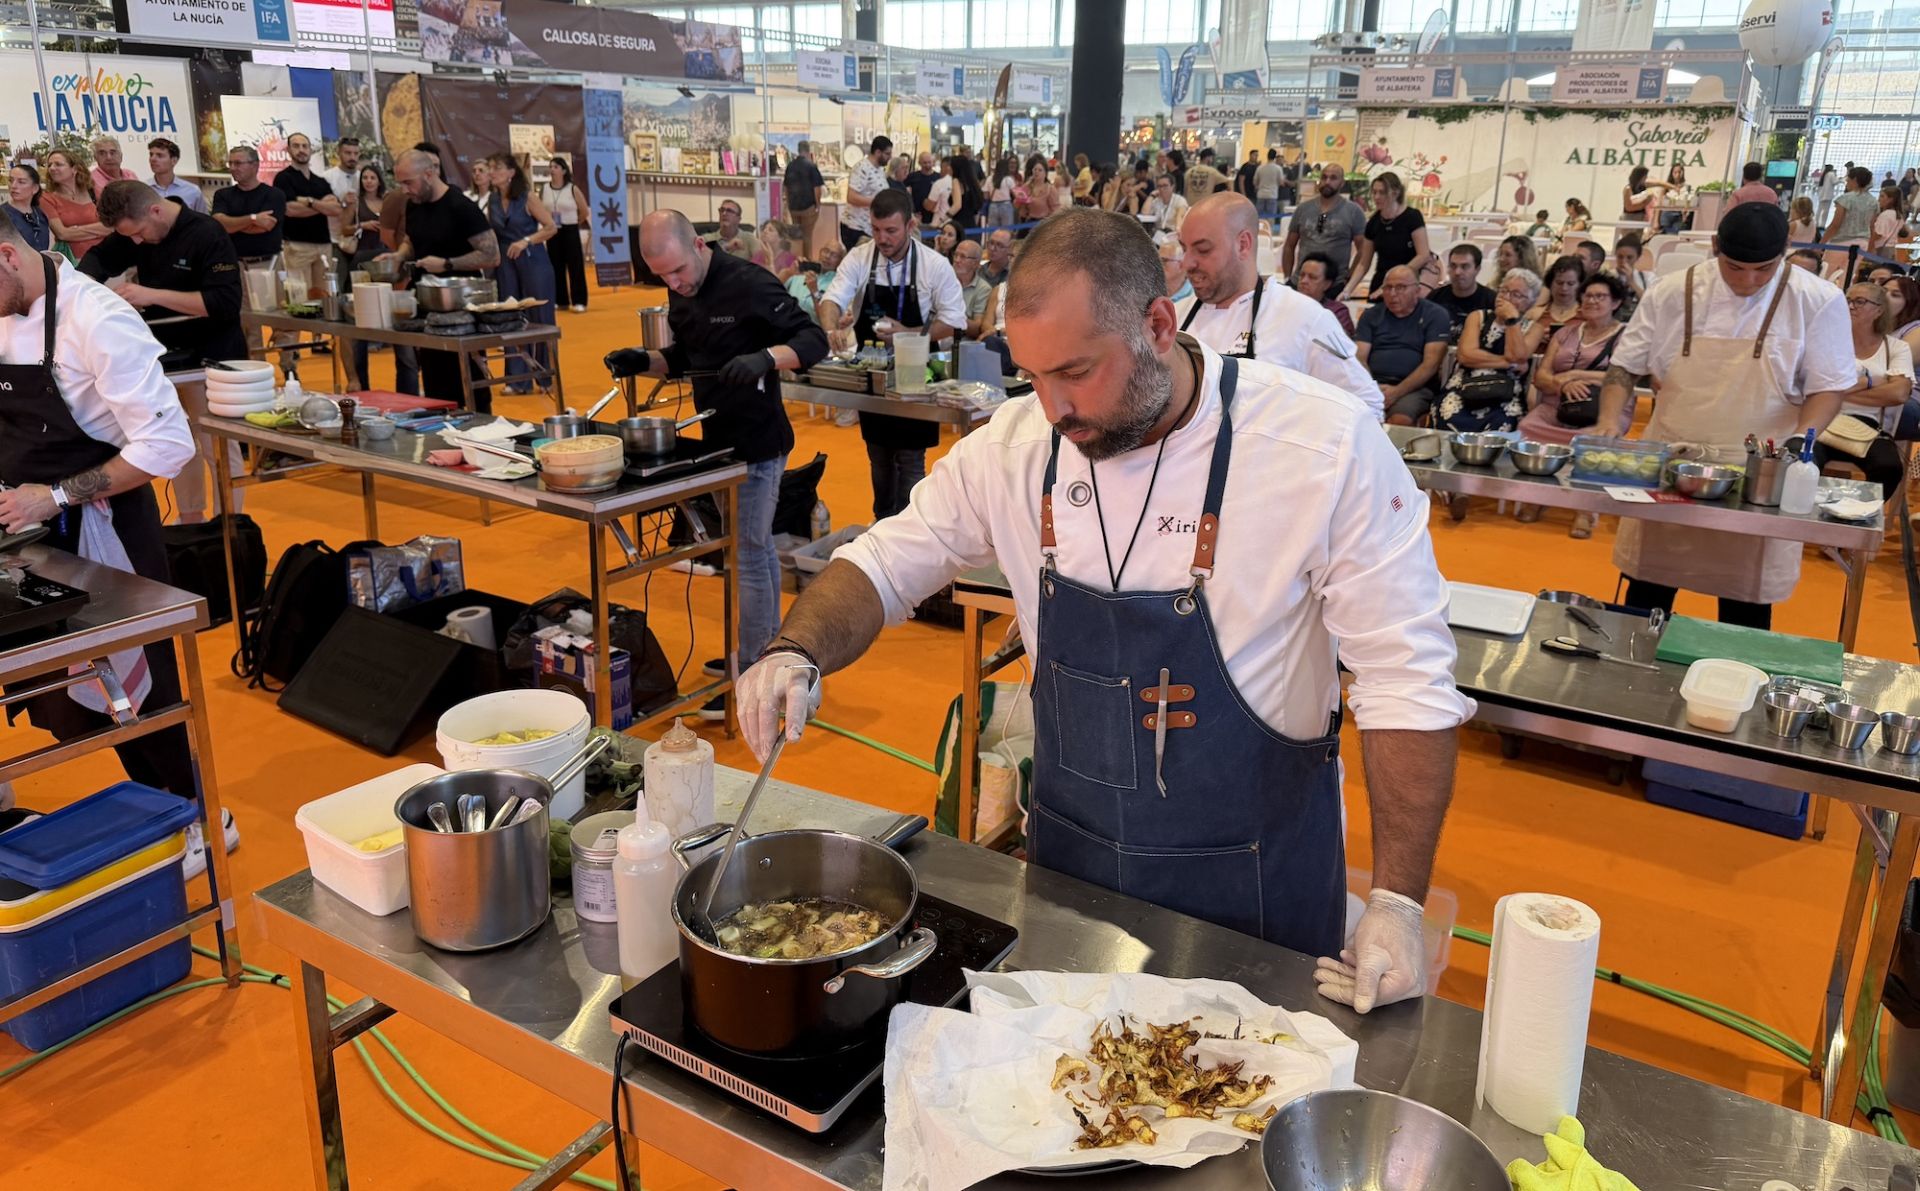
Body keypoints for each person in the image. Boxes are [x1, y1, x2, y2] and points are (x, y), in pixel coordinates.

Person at [734, 207, 1472, 1012]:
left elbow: (1407, 680)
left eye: (1077, 372)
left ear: (1159, 324)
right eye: (1033, 375)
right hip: (1072, 890)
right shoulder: (1017, 447)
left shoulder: (1320, 449)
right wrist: (794, 649)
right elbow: (884, 560)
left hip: (1259, 901)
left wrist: (1398, 902)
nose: (1052, 407)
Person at [0, 211, 235, 875]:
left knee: (145, 686)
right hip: (28, 525)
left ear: (8, 256)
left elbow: (168, 443)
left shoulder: (96, 319)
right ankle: (148, 804)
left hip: (103, 526)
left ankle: (200, 813)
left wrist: (56, 495)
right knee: (68, 691)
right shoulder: (6, 308)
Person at [602, 209, 829, 715]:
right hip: (717, 443)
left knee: (747, 555)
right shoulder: (681, 289)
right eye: (663, 277)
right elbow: (687, 356)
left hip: (759, 440)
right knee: (754, 551)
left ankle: (752, 673)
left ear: (699, 247)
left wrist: (766, 358)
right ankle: (766, 652)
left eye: (679, 270)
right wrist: (647, 360)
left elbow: (814, 340)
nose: (675, 284)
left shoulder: (748, 283)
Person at [1596, 202, 1855, 630]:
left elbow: (1828, 387)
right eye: (1735, 268)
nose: (1748, 281)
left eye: (1764, 269)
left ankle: (1737, 686)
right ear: (1715, 246)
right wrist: (1609, 420)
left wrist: (1798, 442)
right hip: (1671, 462)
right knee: (1645, 594)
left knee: (1745, 605)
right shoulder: (1672, 291)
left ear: (1786, 250)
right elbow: (1624, 368)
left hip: (1758, 471)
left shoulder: (1817, 299)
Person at [86, 180, 247, 525]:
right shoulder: (137, 230)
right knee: (177, 438)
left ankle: (231, 524)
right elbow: (100, 258)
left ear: (155, 210)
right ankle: (190, 520)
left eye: (140, 233)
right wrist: (77, 288)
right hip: (166, 356)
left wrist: (151, 295)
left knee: (218, 443)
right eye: (131, 237)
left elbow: (224, 303)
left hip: (213, 355)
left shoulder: (207, 233)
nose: (138, 242)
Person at [817, 188, 968, 519]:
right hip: (874, 372)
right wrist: (830, 330)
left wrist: (909, 334)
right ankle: (883, 522)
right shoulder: (860, 258)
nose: (882, 239)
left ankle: (913, 527)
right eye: (875, 229)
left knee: (911, 459)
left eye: (891, 231)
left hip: (918, 374)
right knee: (879, 456)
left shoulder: (934, 266)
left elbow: (955, 322)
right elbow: (832, 300)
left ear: (911, 225)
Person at [1175, 193, 1383, 418]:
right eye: (1184, 249)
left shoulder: (1304, 318)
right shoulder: (1175, 315)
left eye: (1203, 250)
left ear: (1243, 245)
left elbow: (1367, 405)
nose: (1187, 263)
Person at [377, 150, 499, 410]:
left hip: (462, 309)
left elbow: (491, 255)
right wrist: (398, 255)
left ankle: (480, 434)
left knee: (468, 382)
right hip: (428, 306)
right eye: (400, 183)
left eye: (408, 182)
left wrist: (447, 264)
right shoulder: (414, 204)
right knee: (435, 381)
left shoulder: (461, 207)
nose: (405, 189)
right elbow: (412, 238)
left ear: (429, 174)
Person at [1518, 272, 1629, 538]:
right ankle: (1538, 496)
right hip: (1558, 403)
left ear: (1615, 303)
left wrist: (1576, 375)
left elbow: (1625, 376)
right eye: (1588, 295)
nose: (1592, 301)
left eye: (1600, 296)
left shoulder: (1625, 336)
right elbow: (1541, 375)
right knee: (1527, 426)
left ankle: (1584, 509)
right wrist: (1562, 384)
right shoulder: (1566, 333)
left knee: (1594, 439)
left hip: (1604, 408)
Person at [1809, 283, 1913, 500]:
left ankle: (1859, 515)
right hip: (1822, 418)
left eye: (1860, 301)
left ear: (1879, 310)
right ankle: (1808, 517)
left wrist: (1840, 389)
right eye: (1848, 300)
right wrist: (1874, 381)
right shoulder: (1828, 339)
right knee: (1802, 459)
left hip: (1867, 426)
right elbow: (1810, 383)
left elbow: (1899, 394)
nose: (1850, 306)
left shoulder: (1895, 347)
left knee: (1889, 467)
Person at [1435, 266, 1550, 441]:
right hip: (1465, 385)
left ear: (1531, 302)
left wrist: (1512, 320)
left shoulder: (1535, 328)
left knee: (1504, 421)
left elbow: (1517, 355)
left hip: (1506, 392)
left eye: (1517, 295)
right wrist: (1508, 363)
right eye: (1504, 291)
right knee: (1449, 413)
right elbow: (1466, 356)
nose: (1507, 298)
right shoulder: (1478, 317)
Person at [485, 154, 558, 392]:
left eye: (497, 167)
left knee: (540, 318)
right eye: (490, 168)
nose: (492, 172)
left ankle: (545, 377)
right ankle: (517, 380)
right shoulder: (493, 200)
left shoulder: (528, 197)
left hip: (532, 259)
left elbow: (550, 227)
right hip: (506, 261)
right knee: (510, 317)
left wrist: (526, 241)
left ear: (511, 173)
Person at [1355, 266, 1451, 425]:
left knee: (1399, 420)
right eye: (1388, 288)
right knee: (1352, 416)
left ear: (1417, 290)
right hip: (1372, 384)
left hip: (1414, 388)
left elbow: (1430, 365)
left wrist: (1395, 393)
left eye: (1400, 288)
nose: (1392, 294)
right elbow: (1360, 358)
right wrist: (1372, 388)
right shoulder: (1371, 315)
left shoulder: (1435, 315)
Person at [272, 132, 340, 305]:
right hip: (297, 245)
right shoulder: (283, 178)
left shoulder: (320, 181)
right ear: (288, 150)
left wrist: (308, 201)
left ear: (310, 150)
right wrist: (321, 206)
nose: (301, 150)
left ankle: (320, 334)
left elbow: (335, 209)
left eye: (305, 146)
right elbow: (290, 210)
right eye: (296, 146)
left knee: (325, 297)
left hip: (324, 245)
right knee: (299, 297)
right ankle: (292, 333)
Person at [337, 165, 390, 388]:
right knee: (355, 312)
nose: (369, 181)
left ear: (379, 180)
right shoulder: (355, 202)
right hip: (361, 258)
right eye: (365, 178)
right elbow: (344, 228)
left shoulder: (388, 201)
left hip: (385, 257)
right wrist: (363, 224)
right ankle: (357, 379)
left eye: (372, 177)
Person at [1345, 172, 1433, 300]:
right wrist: (1347, 290)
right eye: (1374, 192)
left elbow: (1423, 255)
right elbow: (1364, 264)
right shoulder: (1373, 222)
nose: (1377, 197)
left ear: (1395, 193)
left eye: (1382, 193)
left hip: (1406, 283)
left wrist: (1397, 277)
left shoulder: (1412, 217)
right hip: (1381, 280)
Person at [1283, 163, 1365, 290]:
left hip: (1334, 285)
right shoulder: (1303, 209)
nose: (1327, 182)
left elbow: (1363, 249)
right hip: (1301, 282)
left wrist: (1349, 277)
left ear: (1342, 183)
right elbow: (1289, 245)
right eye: (1324, 177)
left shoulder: (1353, 211)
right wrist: (1287, 277)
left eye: (1333, 178)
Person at [211, 145, 285, 270]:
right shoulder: (222, 194)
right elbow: (219, 225)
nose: (233, 168)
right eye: (231, 163)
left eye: (238, 163)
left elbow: (265, 225)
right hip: (232, 265)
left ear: (255, 165)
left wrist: (232, 225)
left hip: (267, 264)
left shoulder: (274, 194)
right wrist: (253, 218)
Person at [541, 158, 590, 312]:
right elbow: (542, 209)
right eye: (550, 167)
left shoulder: (572, 188)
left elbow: (584, 211)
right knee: (555, 265)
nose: (552, 169)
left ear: (563, 170)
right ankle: (560, 300)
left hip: (570, 229)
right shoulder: (545, 189)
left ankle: (579, 300)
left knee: (575, 266)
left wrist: (575, 221)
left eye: (555, 166)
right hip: (553, 230)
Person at [41, 150, 106, 264]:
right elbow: (62, 234)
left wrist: (76, 230)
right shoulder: (47, 198)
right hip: (73, 261)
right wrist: (99, 229)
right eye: (49, 165)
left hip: (105, 256)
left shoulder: (94, 191)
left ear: (74, 169)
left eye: (58, 164)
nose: (52, 168)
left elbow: (111, 227)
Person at [1427, 243, 1495, 342]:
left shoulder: (1491, 301)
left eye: (1465, 267)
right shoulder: (1435, 297)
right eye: (1453, 266)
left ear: (1477, 269)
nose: (1457, 272)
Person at [840, 135, 892, 250]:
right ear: (878, 152)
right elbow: (851, 197)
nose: (890, 157)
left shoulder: (879, 170)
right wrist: (878, 202)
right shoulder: (861, 168)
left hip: (869, 227)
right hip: (856, 227)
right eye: (887, 154)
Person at [1294, 252, 1354, 337]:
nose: (1304, 281)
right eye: (1302, 275)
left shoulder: (1338, 312)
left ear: (1327, 284)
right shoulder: (1285, 305)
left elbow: (1340, 344)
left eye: (1312, 277)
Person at [1529, 256, 1586, 345]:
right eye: (1559, 283)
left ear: (1580, 285)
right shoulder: (1533, 314)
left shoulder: (1587, 316)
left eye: (1570, 284)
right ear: (1551, 283)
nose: (1564, 288)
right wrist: (1534, 337)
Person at [784, 140, 827, 255]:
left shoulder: (790, 166)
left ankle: (797, 260)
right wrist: (817, 205)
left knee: (796, 237)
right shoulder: (811, 166)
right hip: (808, 208)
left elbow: (786, 187)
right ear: (808, 151)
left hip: (794, 207)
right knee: (807, 237)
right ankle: (807, 262)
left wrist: (789, 204)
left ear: (798, 150)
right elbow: (817, 188)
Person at [785, 240, 843, 318]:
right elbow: (776, 288)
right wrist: (789, 272)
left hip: (810, 327)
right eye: (826, 251)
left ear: (840, 261)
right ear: (820, 252)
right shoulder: (802, 269)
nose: (827, 256)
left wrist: (815, 291)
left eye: (834, 255)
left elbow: (826, 318)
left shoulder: (837, 284)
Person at [146, 138, 204, 214]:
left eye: (159, 155)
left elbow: (202, 221)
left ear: (174, 161)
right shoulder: (142, 189)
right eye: (151, 155)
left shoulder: (192, 191)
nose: (152, 159)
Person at [1826, 166, 1877, 250]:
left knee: (1828, 263)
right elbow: (1872, 226)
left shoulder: (1845, 199)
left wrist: (1821, 243)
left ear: (1855, 180)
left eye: (1848, 179)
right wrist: (1870, 247)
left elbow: (1835, 225)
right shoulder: (1874, 201)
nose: (1846, 181)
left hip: (1842, 242)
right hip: (1863, 243)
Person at [952, 238, 994, 338]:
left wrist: (950, 316)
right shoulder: (944, 280)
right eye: (956, 255)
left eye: (963, 257)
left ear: (975, 263)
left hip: (962, 342)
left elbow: (976, 329)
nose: (957, 260)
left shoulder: (983, 289)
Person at [4, 165, 50, 253]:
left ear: (35, 188)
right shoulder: (4, 215)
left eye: (21, 182)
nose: (13, 186)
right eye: (11, 180)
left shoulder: (39, 214)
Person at [1610, 233, 1655, 321]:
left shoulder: (1648, 277)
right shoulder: (1608, 276)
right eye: (1620, 257)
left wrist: (1631, 282)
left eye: (1629, 258)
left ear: (1637, 257)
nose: (1624, 261)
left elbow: (1651, 303)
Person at [945, 151, 985, 230]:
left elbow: (957, 205)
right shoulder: (972, 183)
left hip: (959, 224)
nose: (948, 168)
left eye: (950, 165)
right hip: (972, 224)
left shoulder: (956, 181)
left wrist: (943, 220)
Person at [1145, 174, 1189, 239]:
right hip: (1158, 235)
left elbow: (1180, 217)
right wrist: (1151, 196)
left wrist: (1178, 230)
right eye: (1159, 186)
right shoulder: (1156, 201)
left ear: (1172, 186)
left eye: (1165, 186)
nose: (1162, 189)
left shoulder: (1179, 200)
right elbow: (1145, 213)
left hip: (1172, 235)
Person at [1656, 163, 1694, 234]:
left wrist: (1685, 214)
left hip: (1679, 214)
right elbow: (1659, 204)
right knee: (1666, 235)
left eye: (1679, 172)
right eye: (1675, 172)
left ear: (1683, 172)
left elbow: (1688, 201)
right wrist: (1656, 221)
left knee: (1675, 235)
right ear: (1672, 173)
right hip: (1667, 214)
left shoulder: (1686, 187)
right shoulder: (1666, 186)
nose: (1677, 175)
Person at [1871, 188, 1910, 255]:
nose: (1879, 199)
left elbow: (1878, 234)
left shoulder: (1885, 215)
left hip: (1882, 249)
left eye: (1882, 196)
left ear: (1890, 199)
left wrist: (1869, 247)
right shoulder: (1898, 215)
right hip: (1892, 248)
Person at [1160, 238, 1194, 308]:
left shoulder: (1193, 297)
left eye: (1164, 260)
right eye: (1157, 259)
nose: (1157, 264)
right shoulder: (1150, 289)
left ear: (1182, 265)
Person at [907, 151, 939, 224]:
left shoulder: (938, 177)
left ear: (933, 162)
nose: (927, 165)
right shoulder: (912, 177)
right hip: (917, 215)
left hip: (934, 216)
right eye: (924, 163)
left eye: (929, 162)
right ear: (919, 163)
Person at [986, 155, 1018, 229]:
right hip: (1006, 205)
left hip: (993, 206)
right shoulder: (1008, 179)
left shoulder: (990, 178)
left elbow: (986, 196)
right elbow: (1016, 194)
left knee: (993, 232)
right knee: (1006, 231)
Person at [1253, 150, 1285, 223]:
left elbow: (1255, 182)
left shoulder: (1260, 168)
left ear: (1267, 156)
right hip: (1272, 195)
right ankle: (1269, 231)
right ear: (1275, 157)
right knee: (1270, 217)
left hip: (1261, 194)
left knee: (1259, 217)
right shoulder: (1278, 168)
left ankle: (1260, 231)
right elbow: (1281, 182)